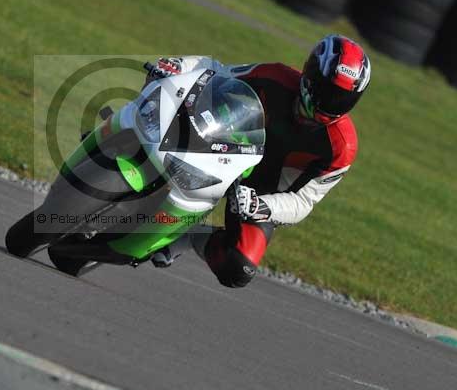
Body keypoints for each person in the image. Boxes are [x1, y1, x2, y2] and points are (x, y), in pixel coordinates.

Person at [148, 34, 372, 288]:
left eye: (341, 98)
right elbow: (218, 72)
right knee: (157, 132)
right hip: (223, 149)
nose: (330, 104)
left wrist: (261, 206)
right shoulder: (275, 76)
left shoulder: (342, 147)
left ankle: (189, 237)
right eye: (327, 91)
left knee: (238, 268)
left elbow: (304, 201)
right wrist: (180, 67)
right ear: (310, 76)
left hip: (259, 192)